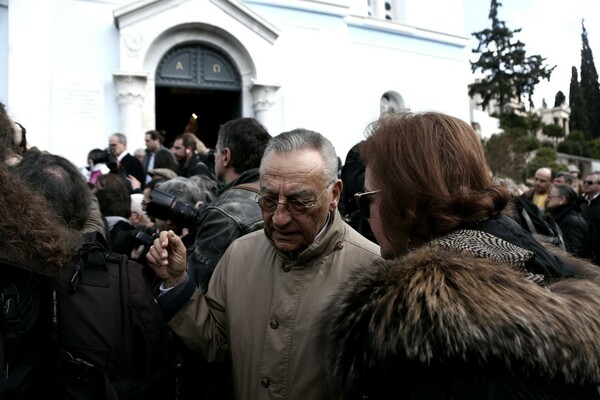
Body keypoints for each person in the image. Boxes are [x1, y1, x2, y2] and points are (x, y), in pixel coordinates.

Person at [319, 111, 600, 399]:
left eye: (366, 201)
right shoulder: (541, 262)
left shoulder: (418, 329)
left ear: (405, 208)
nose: (365, 215)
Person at [147, 128, 381, 400]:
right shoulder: (239, 254)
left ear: (335, 194)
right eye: (268, 200)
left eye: (299, 202)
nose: (279, 218)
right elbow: (215, 344)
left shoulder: (374, 272)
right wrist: (177, 282)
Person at [188, 117, 271, 292]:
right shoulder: (282, 196)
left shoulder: (222, 213)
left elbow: (196, 288)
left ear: (226, 156)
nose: (214, 157)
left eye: (216, 152)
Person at [547, 184, 588, 258]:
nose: (548, 199)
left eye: (550, 197)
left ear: (562, 199)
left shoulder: (573, 221)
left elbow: (574, 253)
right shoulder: (559, 216)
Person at [581, 172, 600, 264]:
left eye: (590, 183)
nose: (585, 184)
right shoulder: (580, 201)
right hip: (581, 245)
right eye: (584, 182)